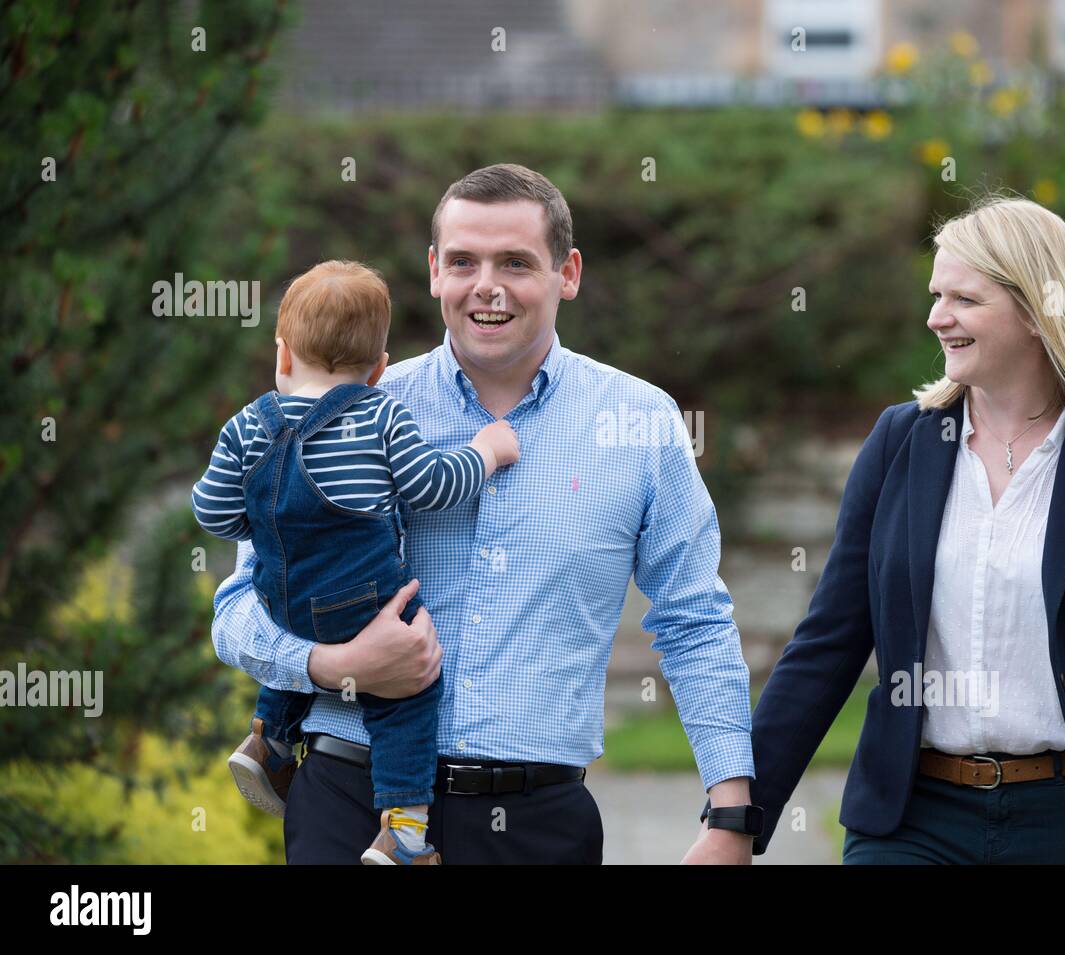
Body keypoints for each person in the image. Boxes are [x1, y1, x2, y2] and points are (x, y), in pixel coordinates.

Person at [211, 164, 758, 864]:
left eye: (516, 263)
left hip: (538, 827)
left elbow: (694, 619)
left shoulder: (640, 422)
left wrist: (731, 810)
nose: (486, 285)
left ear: (569, 272)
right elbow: (237, 607)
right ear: (435, 270)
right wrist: (331, 662)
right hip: (350, 803)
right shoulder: (342, 411)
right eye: (464, 261)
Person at [710, 195, 1065, 864]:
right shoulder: (898, 444)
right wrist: (736, 818)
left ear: (1035, 311)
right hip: (912, 822)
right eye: (937, 294)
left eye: (964, 299)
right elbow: (827, 644)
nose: (936, 317)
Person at [194, 259, 519, 864]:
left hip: (281, 596)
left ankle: (269, 741)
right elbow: (431, 486)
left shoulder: (246, 425)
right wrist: (487, 451)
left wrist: (261, 526)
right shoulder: (380, 413)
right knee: (407, 700)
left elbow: (212, 511)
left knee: (300, 639)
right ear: (378, 369)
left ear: (283, 355)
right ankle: (402, 830)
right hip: (363, 602)